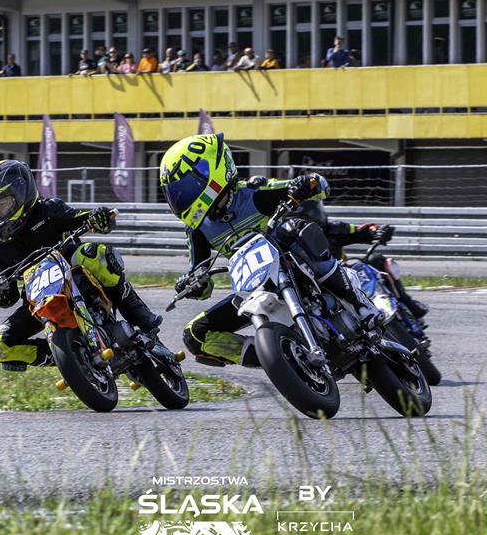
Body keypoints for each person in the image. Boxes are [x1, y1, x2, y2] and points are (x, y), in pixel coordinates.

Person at [159, 133, 382, 367]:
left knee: (294, 229)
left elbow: (319, 187)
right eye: (175, 193)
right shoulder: (197, 230)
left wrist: (307, 183)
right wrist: (194, 283)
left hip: (292, 266)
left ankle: (359, 303)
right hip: (254, 288)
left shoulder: (253, 192)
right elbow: (202, 280)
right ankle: (282, 357)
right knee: (195, 334)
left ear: (212, 171)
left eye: (185, 188)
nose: (181, 198)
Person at [0, 160, 161, 372]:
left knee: (91, 253)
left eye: (1, 205)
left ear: (22, 193)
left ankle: (139, 314)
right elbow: (9, 294)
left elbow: (84, 219)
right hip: (38, 301)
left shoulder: (48, 210)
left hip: (77, 278)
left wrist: (99, 217)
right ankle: (67, 357)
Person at [322, 221, 429, 319]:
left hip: (348, 273)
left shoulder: (332, 229)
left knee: (377, 259)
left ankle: (407, 302)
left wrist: (377, 231)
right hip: (327, 288)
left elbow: (360, 230)